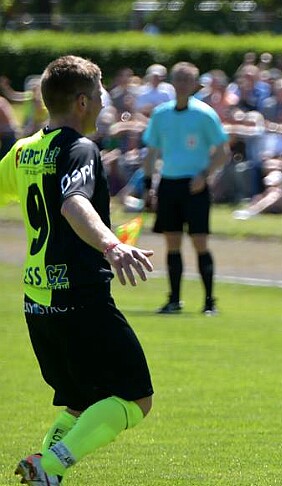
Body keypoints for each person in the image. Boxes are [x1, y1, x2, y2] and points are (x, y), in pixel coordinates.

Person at [0, 55, 155, 485]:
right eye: (101, 93)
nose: (106, 101)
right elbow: (73, 203)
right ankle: (50, 466)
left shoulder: (24, 150)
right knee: (135, 398)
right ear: (83, 101)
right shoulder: (80, 148)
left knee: (80, 403)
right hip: (79, 297)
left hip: (37, 302)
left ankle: (41, 469)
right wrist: (111, 245)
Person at [142, 62, 230, 315]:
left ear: (195, 85)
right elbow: (151, 153)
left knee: (200, 242)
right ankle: (174, 300)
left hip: (195, 185)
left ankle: (209, 301)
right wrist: (150, 186)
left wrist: (205, 175)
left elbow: (222, 152)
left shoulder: (204, 114)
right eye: (178, 79)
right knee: (172, 242)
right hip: (169, 183)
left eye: (186, 79)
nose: (181, 84)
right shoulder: (161, 114)